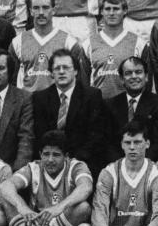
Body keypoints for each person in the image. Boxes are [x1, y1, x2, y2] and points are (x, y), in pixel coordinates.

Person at [74, 120, 158, 226]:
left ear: (147, 144)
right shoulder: (109, 172)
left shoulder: (157, 175)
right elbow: (99, 209)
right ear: (122, 145)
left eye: (137, 142)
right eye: (128, 142)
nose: (132, 147)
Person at [0, 130, 93, 226]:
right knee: (7, 200)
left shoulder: (76, 166)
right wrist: (23, 208)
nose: (50, 160)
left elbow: (86, 187)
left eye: (56, 155)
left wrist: (59, 208)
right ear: (40, 154)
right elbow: (6, 186)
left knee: (83, 207)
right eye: (46, 154)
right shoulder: (34, 167)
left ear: (66, 156)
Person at [32, 49, 105, 178]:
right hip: (49, 162)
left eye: (66, 67)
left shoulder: (92, 96)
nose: (61, 71)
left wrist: (72, 162)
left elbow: (95, 135)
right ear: (51, 73)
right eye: (57, 68)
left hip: (82, 162)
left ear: (76, 71)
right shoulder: (40, 98)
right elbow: (40, 135)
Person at [9, 0, 90, 93]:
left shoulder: (69, 42)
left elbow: (78, 80)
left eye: (46, 8)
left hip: (57, 103)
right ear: (30, 11)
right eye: (36, 8)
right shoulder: (17, 42)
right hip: (28, 103)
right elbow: (12, 79)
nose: (41, 12)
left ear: (53, 10)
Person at [82, 0, 147, 99]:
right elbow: (83, 83)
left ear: (125, 11)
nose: (111, 13)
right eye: (107, 9)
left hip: (127, 108)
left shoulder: (139, 43)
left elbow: (146, 82)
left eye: (116, 9)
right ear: (101, 11)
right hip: (98, 107)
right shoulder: (88, 44)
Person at [105, 56, 158, 163]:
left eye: (138, 72)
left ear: (146, 76)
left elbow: (157, 142)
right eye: (128, 73)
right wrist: (120, 166)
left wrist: (142, 165)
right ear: (121, 79)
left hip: (148, 163)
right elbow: (108, 143)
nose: (134, 76)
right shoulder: (110, 105)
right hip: (117, 165)